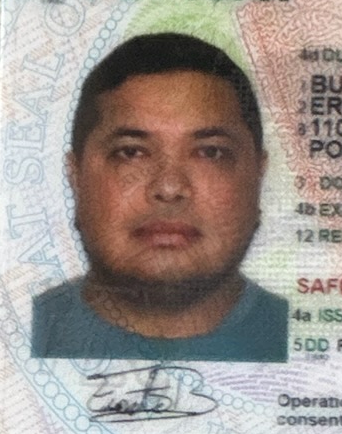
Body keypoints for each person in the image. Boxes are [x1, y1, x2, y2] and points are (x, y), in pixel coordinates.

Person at [32, 32, 288, 361]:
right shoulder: (21, 330)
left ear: (258, 176)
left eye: (210, 152)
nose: (169, 188)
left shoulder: (309, 338)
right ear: (76, 178)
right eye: (131, 153)